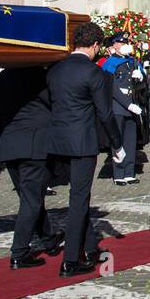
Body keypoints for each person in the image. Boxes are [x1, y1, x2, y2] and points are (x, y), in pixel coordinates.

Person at [47, 21, 124, 277]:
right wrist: (117, 143)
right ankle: (70, 260)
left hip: (58, 140)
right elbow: (105, 113)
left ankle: (90, 247)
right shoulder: (93, 73)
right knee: (79, 199)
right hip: (82, 142)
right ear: (95, 45)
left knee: (80, 196)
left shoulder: (55, 70)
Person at [0, 66, 63, 269]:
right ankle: (19, 251)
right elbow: (52, 102)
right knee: (31, 199)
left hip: (9, 143)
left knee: (30, 196)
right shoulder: (37, 74)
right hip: (34, 143)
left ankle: (49, 239)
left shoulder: (2, 77)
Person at [100, 33, 143, 185]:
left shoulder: (131, 62)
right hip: (118, 106)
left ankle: (129, 172)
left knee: (130, 141)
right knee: (117, 141)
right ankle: (118, 172)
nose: (125, 45)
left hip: (132, 106)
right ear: (115, 45)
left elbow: (139, 84)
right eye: (122, 43)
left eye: (126, 42)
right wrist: (127, 104)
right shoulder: (110, 64)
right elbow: (112, 88)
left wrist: (142, 76)